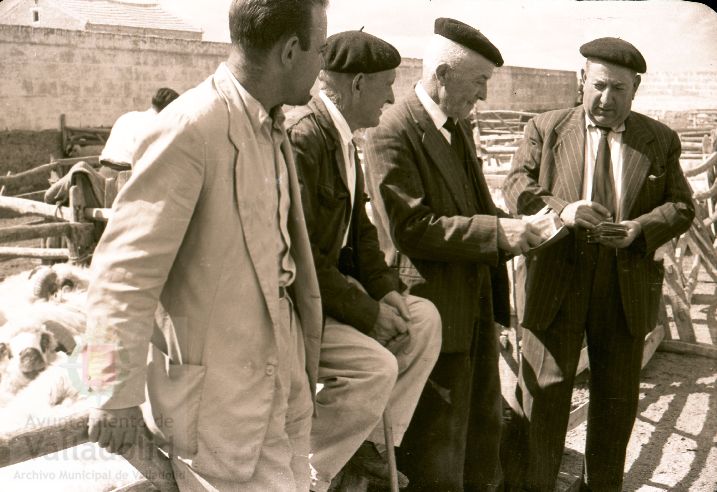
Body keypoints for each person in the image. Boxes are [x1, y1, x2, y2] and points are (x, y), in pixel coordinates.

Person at [83, 0, 328, 490]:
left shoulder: (270, 126)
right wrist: (113, 393)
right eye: (320, 50)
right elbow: (123, 272)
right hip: (218, 414)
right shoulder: (191, 128)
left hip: (281, 393)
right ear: (290, 51)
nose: (323, 64)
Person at [501, 37, 695, 491]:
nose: (606, 99)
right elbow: (516, 187)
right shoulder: (545, 128)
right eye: (599, 85)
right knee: (544, 396)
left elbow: (681, 206)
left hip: (624, 285)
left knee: (615, 401)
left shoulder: (659, 139)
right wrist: (562, 212)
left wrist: (640, 229)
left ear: (636, 89)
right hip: (556, 279)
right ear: (581, 79)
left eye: (619, 90)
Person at [362, 18, 541, 491]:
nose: (482, 95)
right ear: (442, 75)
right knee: (438, 447)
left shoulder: (454, 127)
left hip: (475, 305)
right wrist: (498, 234)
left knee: (481, 434)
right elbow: (411, 229)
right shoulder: (391, 131)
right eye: (478, 82)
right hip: (435, 310)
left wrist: (527, 229)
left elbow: (476, 206)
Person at [286, 30, 442, 491]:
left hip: (331, 298)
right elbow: (303, 257)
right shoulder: (305, 140)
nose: (391, 96)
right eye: (386, 84)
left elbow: (363, 239)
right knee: (375, 367)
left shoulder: (341, 139)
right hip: (300, 307)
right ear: (356, 84)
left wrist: (388, 294)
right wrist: (367, 313)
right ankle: (310, 471)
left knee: (423, 318)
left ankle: (369, 446)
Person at [99, 87, 179, 170]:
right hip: (128, 171)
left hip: (105, 168)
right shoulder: (158, 124)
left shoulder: (129, 116)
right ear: (170, 109)